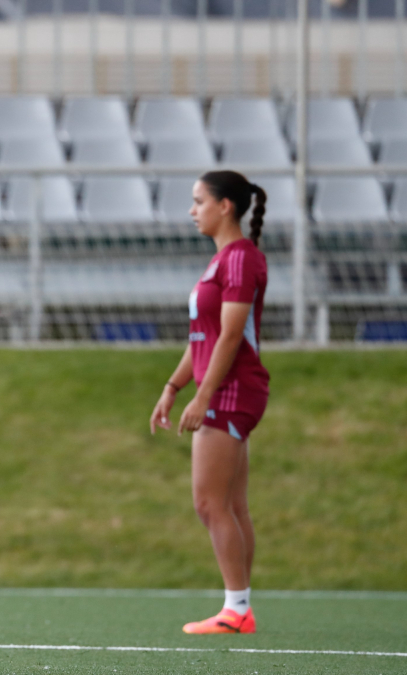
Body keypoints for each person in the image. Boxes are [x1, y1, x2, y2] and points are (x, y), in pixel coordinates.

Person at [150, 171, 269, 635]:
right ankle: (239, 606)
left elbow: (233, 336)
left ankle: (236, 609)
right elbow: (204, 338)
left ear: (226, 207)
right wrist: (173, 386)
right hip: (226, 386)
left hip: (232, 388)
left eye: (199, 201)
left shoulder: (240, 259)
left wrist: (203, 396)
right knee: (231, 503)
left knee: (208, 502)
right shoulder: (223, 261)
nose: (191, 210)